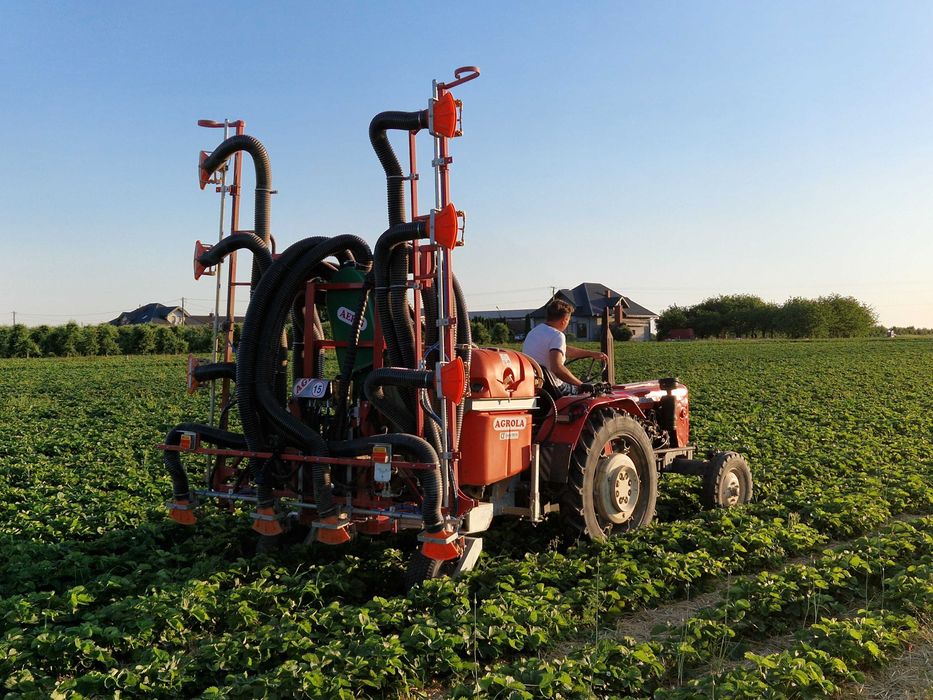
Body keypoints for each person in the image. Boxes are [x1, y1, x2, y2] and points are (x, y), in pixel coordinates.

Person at [522, 299, 608, 395]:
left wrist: (591, 354)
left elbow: (563, 350)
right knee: (593, 392)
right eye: (569, 321)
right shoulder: (557, 335)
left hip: (536, 386)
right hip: (554, 388)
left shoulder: (534, 332)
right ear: (564, 320)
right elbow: (557, 368)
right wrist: (581, 384)